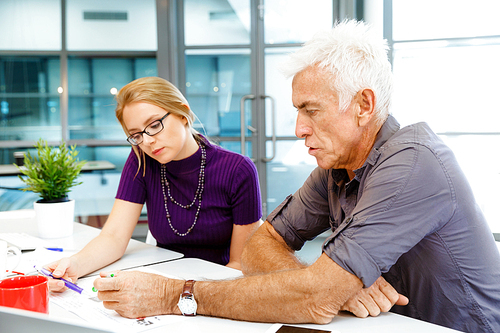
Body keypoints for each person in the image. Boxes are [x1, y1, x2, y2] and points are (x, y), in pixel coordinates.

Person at [94, 20, 500, 333]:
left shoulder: (413, 164)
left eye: (311, 110)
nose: (298, 128)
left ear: (363, 105)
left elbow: (316, 300)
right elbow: (261, 245)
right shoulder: (337, 168)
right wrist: (330, 283)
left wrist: (172, 294)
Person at [48, 77, 263, 292]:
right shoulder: (141, 160)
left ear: (182, 113)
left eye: (154, 125)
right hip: (162, 282)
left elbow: (239, 266)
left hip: (218, 288)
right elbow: (114, 236)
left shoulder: (237, 169)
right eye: (136, 135)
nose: (147, 141)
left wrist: (187, 295)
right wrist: (75, 264)